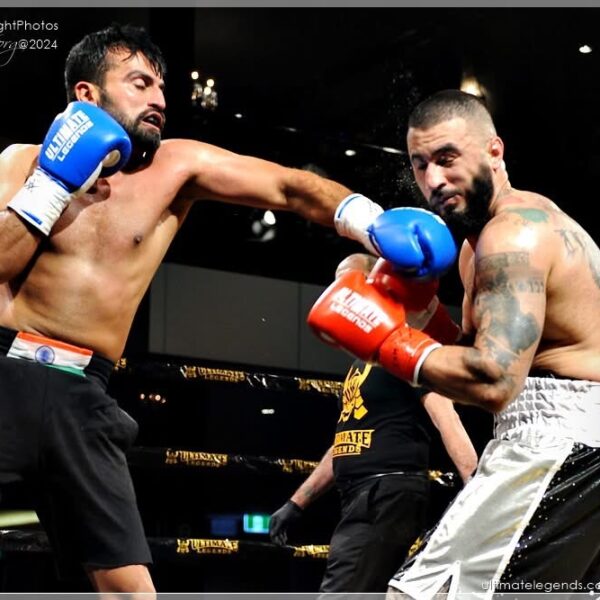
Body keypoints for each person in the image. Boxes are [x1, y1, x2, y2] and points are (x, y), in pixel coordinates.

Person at [0, 23, 434, 594]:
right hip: (6, 372)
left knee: (130, 590)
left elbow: (287, 187)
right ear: (87, 94)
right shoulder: (22, 162)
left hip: (83, 396)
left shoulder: (176, 166)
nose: (159, 98)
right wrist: (52, 183)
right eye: (140, 83)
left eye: (161, 86)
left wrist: (371, 223)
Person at [307, 89, 600, 598]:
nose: (434, 180)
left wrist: (385, 338)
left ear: (494, 151)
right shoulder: (477, 245)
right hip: (573, 441)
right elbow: (474, 355)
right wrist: (419, 311)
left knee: (422, 593)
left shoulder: (514, 235)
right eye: (420, 164)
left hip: (558, 442)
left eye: (447, 158)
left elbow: (493, 381)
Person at [269, 254, 478, 593]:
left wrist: (476, 487)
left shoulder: (407, 345)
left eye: (348, 281)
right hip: (361, 497)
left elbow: (447, 418)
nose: (339, 291)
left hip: (386, 495)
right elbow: (346, 440)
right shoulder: (364, 359)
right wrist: (297, 502)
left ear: (375, 284)